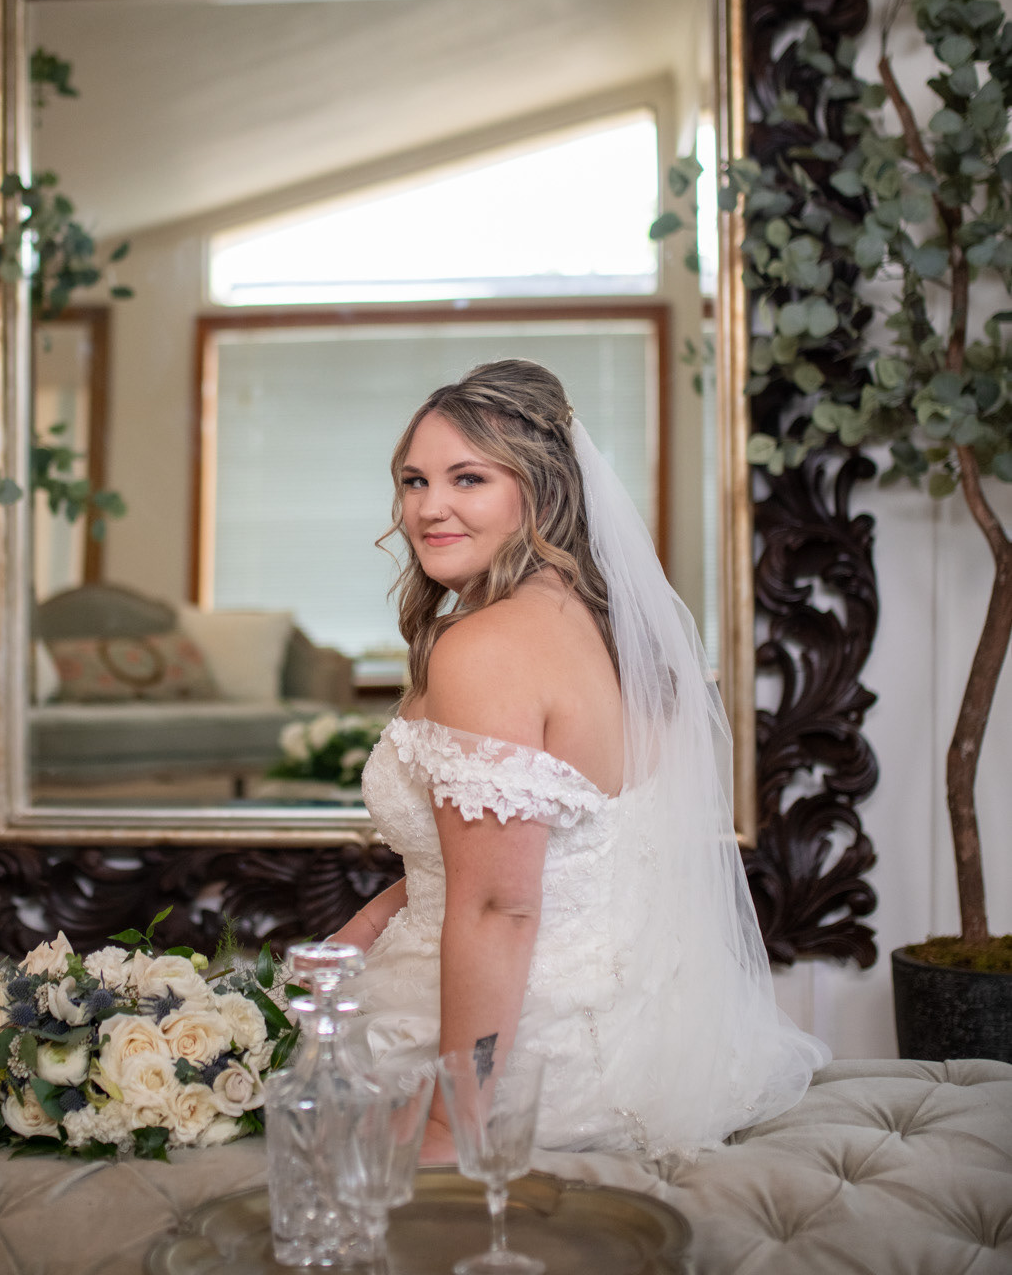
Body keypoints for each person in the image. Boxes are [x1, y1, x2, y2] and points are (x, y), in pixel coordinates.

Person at [334, 359, 827, 1162]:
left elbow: (500, 906)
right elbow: (537, 856)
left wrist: (451, 1117)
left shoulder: (485, 649)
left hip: (522, 1064)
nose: (427, 508)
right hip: (657, 1041)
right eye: (413, 481)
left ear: (541, 489)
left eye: (468, 478)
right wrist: (355, 934)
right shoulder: (604, 629)